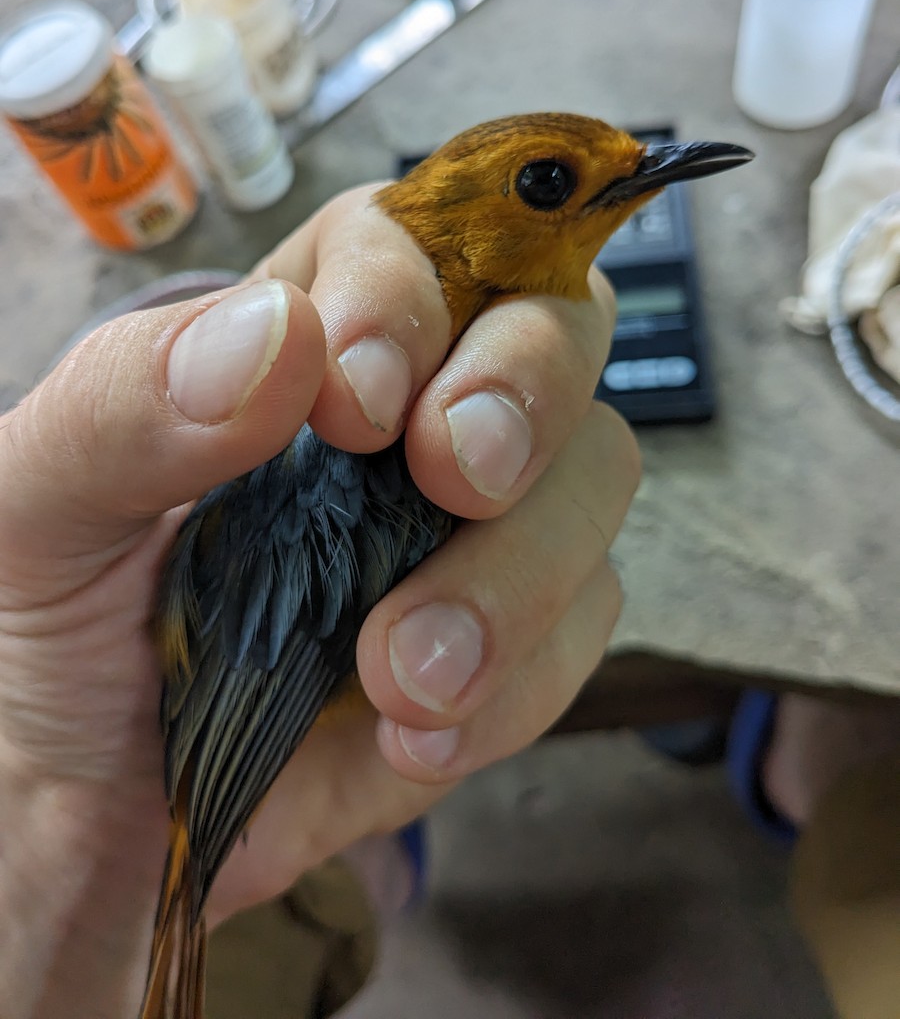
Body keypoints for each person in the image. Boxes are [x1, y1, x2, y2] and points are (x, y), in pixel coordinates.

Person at [0, 183, 640, 1018]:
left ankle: (365, 871)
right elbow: (272, 649)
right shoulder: (346, 444)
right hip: (242, 741)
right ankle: (369, 873)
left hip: (239, 754)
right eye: (549, 182)